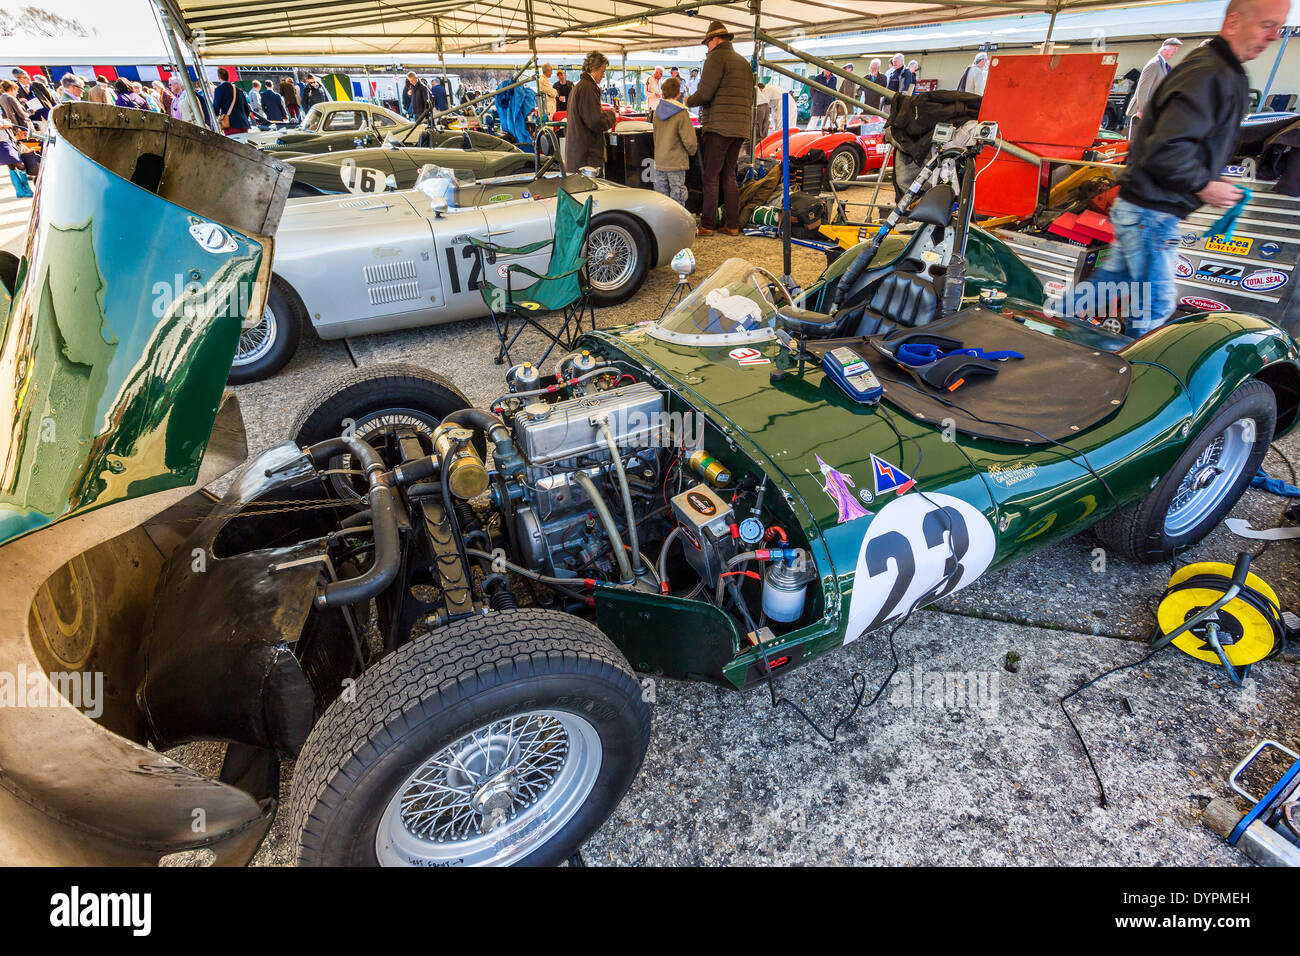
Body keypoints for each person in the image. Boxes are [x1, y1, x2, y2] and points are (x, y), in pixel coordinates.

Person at [1080, 0, 1288, 335]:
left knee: (1107, 288)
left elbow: (1187, 140)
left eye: (1279, 27)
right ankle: (1117, 375)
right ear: (1234, 22)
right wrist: (1206, 185)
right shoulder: (1209, 73)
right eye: (1267, 25)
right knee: (1155, 305)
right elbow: (1166, 150)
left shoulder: (1221, 69)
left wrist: (1211, 172)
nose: (1274, 36)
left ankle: (1054, 330)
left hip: (1149, 208)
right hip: (1151, 211)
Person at [686, 20, 753, 237]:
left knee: (711, 176)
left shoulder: (716, 58)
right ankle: (731, 224)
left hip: (719, 127)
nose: (707, 48)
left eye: (707, 43)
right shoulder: (743, 62)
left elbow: (705, 93)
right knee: (729, 175)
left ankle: (707, 225)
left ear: (715, 40)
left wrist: (686, 100)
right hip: (740, 127)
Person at [566, 51, 615, 174]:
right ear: (594, 68)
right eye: (603, 71)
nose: (603, 75)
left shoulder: (579, 87)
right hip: (587, 157)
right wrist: (611, 115)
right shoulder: (588, 88)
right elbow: (595, 122)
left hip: (578, 153)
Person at [652, 76, 697, 208]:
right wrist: (693, 151)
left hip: (659, 161)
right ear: (678, 93)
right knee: (678, 200)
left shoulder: (656, 112)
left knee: (661, 200)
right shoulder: (681, 113)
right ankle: (677, 227)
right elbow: (689, 140)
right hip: (676, 162)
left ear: (663, 93)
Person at [1126, 37, 1183, 134]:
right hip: (1143, 112)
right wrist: (1142, 109)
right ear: (1165, 49)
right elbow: (1143, 88)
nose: (1175, 52)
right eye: (1174, 48)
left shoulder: (1162, 64)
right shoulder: (1154, 64)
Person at [211, 67, 251, 135]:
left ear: (219, 77)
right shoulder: (238, 90)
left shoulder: (219, 89)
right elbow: (247, 109)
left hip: (230, 124)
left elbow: (216, 107)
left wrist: (216, 116)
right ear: (228, 77)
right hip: (244, 124)